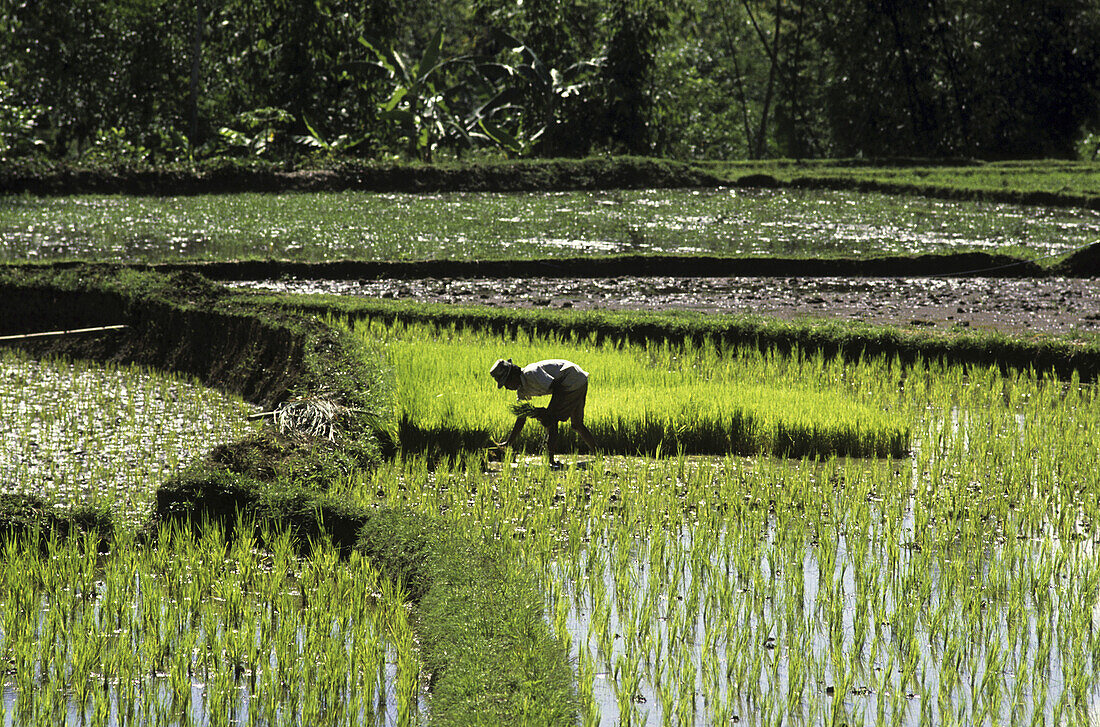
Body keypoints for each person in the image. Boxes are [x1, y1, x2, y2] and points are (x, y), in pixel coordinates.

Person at [489, 358, 598, 467]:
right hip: (579, 379)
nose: (507, 388)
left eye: (506, 383)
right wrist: (509, 442)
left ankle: (551, 461)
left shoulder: (531, 373)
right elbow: (521, 417)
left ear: (512, 376)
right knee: (577, 424)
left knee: (551, 420)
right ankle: (598, 454)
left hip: (571, 379)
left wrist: (548, 413)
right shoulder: (522, 390)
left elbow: (557, 387)